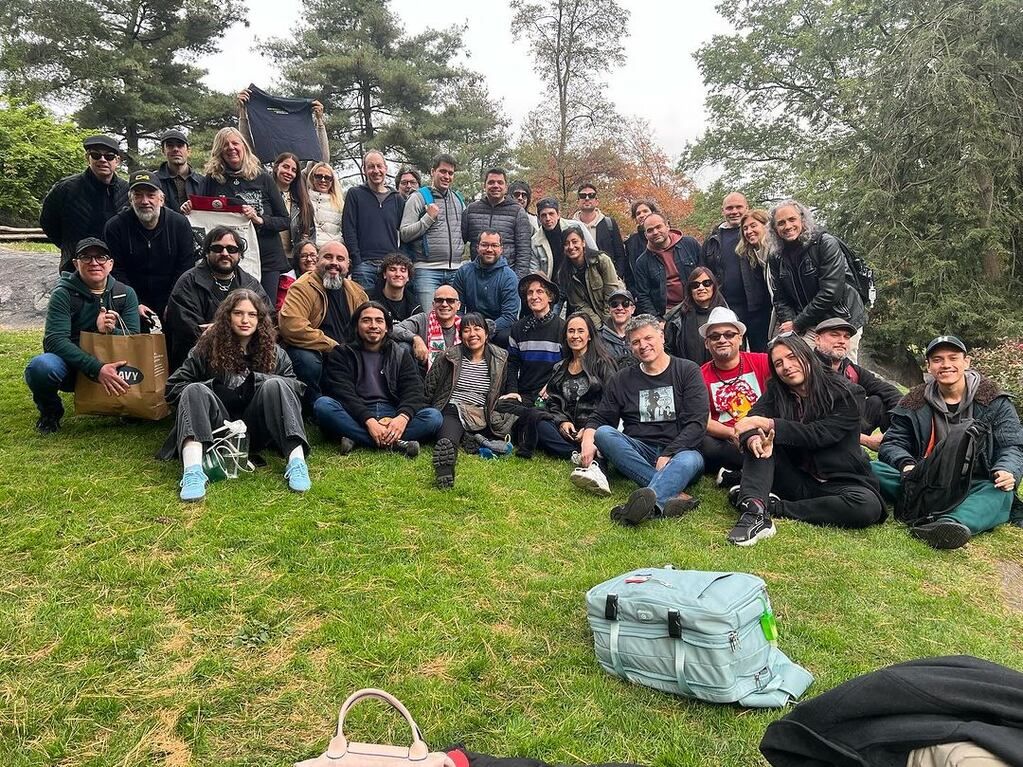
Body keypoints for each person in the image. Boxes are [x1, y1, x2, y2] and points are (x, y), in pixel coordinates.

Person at [728, 334, 885, 546]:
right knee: (762, 443)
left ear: (807, 355)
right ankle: (755, 511)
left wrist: (767, 424)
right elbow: (752, 419)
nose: (787, 366)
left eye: (792, 357)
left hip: (840, 481)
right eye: (779, 363)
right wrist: (752, 436)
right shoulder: (777, 390)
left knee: (868, 506)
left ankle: (774, 506)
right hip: (796, 476)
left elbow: (818, 434)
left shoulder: (847, 392)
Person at [159, 289, 311, 501]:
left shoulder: (275, 352)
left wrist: (257, 381)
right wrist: (213, 386)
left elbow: (296, 388)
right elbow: (174, 387)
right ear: (227, 316)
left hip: (257, 428)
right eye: (238, 313)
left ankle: (296, 463)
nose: (245, 320)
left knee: (276, 384)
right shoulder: (205, 349)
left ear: (260, 319)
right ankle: (193, 470)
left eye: (252, 314)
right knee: (193, 389)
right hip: (214, 430)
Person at [875, 335, 1023, 549]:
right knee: (871, 468)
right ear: (929, 366)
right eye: (937, 359)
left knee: (1000, 491)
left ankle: (950, 525)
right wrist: (907, 465)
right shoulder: (912, 402)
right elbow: (892, 442)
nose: (946, 365)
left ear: (966, 362)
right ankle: (946, 510)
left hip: (974, 481)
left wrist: (1006, 469)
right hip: (925, 478)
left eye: (953, 358)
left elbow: (1012, 444)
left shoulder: (995, 401)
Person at [577, 314, 708, 525]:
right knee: (604, 434)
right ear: (629, 346)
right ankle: (671, 496)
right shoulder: (622, 378)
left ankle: (641, 507)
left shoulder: (687, 370)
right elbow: (602, 416)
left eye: (648, 338)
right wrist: (588, 436)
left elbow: (697, 422)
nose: (643, 346)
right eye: (636, 342)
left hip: (680, 453)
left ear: (662, 337)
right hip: (639, 450)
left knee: (689, 460)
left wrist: (669, 453)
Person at [24, 238, 140, 433]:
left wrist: (111, 331)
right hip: (74, 367)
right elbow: (54, 340)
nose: (94, 263)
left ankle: (126, 406)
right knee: (41, 367)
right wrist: (96, 367)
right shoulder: (63, 294)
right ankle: (50, 412)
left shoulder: (125, 293)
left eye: (100, 257)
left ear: (110, 264)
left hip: (116, 365)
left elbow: (134, 339)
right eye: (86, 257)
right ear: (76, 264)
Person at [314, 302, 443, 456]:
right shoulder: (342, 353)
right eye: (366, 320)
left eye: (379, 321)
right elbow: (343, 393)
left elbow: (414, 390)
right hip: (355, 413)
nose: (373, 325)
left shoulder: (400, 354)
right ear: (356, 325)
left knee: (433, 417)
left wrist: (402, 417)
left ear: (387, 327)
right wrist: (369, 421)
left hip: (392, 412)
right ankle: (395, 443)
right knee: (323, 405)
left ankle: (356, 437)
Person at [185, 127, 290, 302]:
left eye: (235, 143)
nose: (231, 147)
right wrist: (190, 208)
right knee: (232, 308)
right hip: (228, 259)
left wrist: (259, 219)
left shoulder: (263, 178)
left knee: (264, 309)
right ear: (219, 151)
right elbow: (201, 214)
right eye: (225, 145)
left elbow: (284, 220)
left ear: (244, 147)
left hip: (267, 258)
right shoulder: (212, 179)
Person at [767, 199, 866, 361]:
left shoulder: (825, 243)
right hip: (808, 322)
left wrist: (797, 323)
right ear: (775, 229)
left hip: (841, 317)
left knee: (843, 371)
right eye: (781, 223)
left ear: (803, 220)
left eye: (792, 220)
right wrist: (789, 323)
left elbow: (830, 292)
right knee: (805, 368)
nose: (787, 226)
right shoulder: (776, 256)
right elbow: (780, 298)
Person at [426, 313, 517, 487]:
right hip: (453, 407)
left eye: (477, 328)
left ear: (486, 333)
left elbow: (505, 386)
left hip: (482, 412)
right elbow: (430, 386)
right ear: (461, 336)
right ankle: (445, 468)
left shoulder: (500, 358)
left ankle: (470, 438)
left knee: (504, 424)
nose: (472, 334)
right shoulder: (448, 356)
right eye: (466, 330)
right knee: (448, 432)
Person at [534, 312, 619, 496]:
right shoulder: (560, 367)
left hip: (595, 426)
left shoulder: (603, 364)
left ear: (589, 335)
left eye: (581, 331)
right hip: (568, 429)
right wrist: (562, 422)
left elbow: (611, 402)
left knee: (604, 436)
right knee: (538, 422)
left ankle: (594, 460)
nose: (575, 336)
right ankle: (577, 455)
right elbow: (553, 401)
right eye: (571, 331)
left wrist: (590, 428)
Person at [164, 226, 268, 371]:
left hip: (245, 359)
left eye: (231, 249)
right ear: (207, 252)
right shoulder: (188, 282)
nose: (225, 253)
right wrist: (232, 332)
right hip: (200, 363)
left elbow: (267, 321)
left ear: (239, 254)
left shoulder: (251, 284)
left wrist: (218, 329)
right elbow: (186, 328)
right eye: (218, 248)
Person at [278, 241, 368, 406]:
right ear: (317, 261)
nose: (334, 262)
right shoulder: (302, 287)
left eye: (340, 259)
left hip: (347, 354)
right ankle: (313, 405)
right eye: (328, 257)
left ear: (348, 265)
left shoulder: (357, 292)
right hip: (318, 352)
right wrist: (333, 347)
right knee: (306, 360)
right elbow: (291, 326)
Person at [104, 170, 195, 326]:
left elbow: (185, 267)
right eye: (138, 195)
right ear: (130, 200)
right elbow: (114, 269)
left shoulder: (179, 224)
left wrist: (174, 302)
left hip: (171, 296)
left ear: (161, 199)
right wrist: (134, 303)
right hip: (130, 297)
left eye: (151, 195)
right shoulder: (115, 226)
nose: (145, 201)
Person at [697, 307, 771, 481]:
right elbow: (704, 421)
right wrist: (734, 433)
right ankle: (758, 468)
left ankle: (737, 476)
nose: (722, 339)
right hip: (728, 440)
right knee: (704, 444)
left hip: (764, 431)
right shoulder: (699, 375)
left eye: (729, 334)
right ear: (707, 343)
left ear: (740, 339)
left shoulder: (762, 361)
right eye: (715, 336)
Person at [40, 135, 129, 273]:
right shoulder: (65, 188)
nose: (103, 160)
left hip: (116, 267)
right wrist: (69, 246)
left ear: (117, 161)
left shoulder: (127, 190)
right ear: (88, 158)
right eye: (96, 155)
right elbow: (48, 222)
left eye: (109, 156)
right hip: (75, 265)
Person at [813, 317, 901, 450]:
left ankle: (897, 450)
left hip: (850, 425)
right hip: (821, 436)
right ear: (818, 339)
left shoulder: (850, 369)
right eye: (834, 335)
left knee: (878, 402)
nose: (842, 341)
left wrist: (900, 421)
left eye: (846, 337)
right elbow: (814, 423)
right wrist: (866, 440)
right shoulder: (807, 370)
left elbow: (887, 390)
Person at [703, 193, 772, 353]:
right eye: (729, 208)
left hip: (759, 308)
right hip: (727, 308)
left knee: (762, 354)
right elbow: (706, 273)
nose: (734, 211)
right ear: (723, 211)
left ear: (746, 208)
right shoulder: (712, 240)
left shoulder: (758, 234)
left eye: (738, 207)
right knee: (732, 355)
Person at [399, 153, 466, 311]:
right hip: (426, 270)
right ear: (432, 171)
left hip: (456, 270)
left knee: (455, 321)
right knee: (429, 320)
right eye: (442, 171)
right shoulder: (418, 198)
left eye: (450, 173)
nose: (447, 176)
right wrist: (428, 218)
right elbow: (405, 233)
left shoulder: (458, 199)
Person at [342, 150, 404, 291]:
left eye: (379, 166)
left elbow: (405, 232)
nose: (376, 171)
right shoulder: (355, 194)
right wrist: (356, 260)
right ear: (364, 170)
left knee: (387, 310)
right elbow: (348, 229)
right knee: (365, 310)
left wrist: (399, 261)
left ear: (385, 168)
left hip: (390, 267)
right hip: (363, 265)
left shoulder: (396, 198)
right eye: (371, 167)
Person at [502, 272, 565, 406]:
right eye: (530, 293)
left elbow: (568, 364)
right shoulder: (518, 327)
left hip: (550, 394)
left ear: (550, 297)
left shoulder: (562, 328)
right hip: (525, 394)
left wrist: (551, 386)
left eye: (539, 292)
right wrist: (512, 391)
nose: (534, 297)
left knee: (536, 416)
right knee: (501, 406)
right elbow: (512, 363)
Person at [462, 167, 532, 278]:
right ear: (484, 185)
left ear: (506, 187)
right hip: (477, 276)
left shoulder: (518, 212)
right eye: (491, 182)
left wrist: (517, 280)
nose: (495, 186)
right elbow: (460, 241)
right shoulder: (471, 210)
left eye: (500, 182)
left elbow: (524, 251)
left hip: (507, 277)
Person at [450, 231, 520, 338]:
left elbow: (509, 316)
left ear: (501, 249)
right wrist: (468, 328)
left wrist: (485, 330)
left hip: (498, 328)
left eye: (494, 245)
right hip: (470, 326)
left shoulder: (509, 277)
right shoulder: (464, 272)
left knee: (506, 336)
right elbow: (457, 308)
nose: (489, 249)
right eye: (485, 245)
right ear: (477, 247)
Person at [632, 213, 702, 318]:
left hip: (696, 304)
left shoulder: (689, 244)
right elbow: (643, 296)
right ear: (646, 235)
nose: (655, 232)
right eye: (650, 230)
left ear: (667, 226)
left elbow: (706, 273)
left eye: (658, 227)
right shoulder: (642, 262)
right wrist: (657, 320)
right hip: (667, 312)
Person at [555, 225, 623, 328]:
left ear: (583, 242)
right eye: (566, 244)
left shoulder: (602, 260)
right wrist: (599, 327)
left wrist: (607, 323)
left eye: (574, 242)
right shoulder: (564, 274)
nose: (571, 247)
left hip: (616, 314)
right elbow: (580, 306)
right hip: (592, 324)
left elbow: (612, 292)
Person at [664, 265, 728, 364]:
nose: (701, 288)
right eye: (695, 285)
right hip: (687, 373)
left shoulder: (727, 314)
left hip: (721, 372)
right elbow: (667, 350)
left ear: (714, 286)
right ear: (690, 290)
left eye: (706, 283)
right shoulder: (676, 317)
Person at [391, 285, 462, 372]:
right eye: (439, 300)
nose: (444, 304)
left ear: (458, 305)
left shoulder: (464, 325)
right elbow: (393, 329)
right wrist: (415, 338)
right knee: (403, 347)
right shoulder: (422, 319)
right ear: (433, 304)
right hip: (422, 377)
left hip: (457, 378)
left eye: (450, 301)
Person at [527, 197, 598, 281]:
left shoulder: (576, 226)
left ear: (558, 215)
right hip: (554, 285)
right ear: (539, 218)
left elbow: (595, 253)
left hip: (582, 279)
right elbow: (534, 272)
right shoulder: (535, 241)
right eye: (543, 215)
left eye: (551, 214)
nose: (548, 218)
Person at [572, 182, 628, 282]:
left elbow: (620, 254)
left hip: (608, 279)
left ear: (597, 201)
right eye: (583, 196)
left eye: (591, 195)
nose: (587, 198)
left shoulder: (609, 224)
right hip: (580, 282)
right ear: (578, 201)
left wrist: (616, 276)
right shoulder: (571, 226)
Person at [734, 209, 772, 350]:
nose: (749, 231)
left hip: (777, 313)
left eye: (753, 225)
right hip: (758, 314)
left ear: (766, 226)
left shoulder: (776, 251)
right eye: (745, 228)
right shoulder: (747, 254)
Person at [272, 152, 316, 254]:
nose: (289, 172)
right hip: (270, 256)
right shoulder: (264, 196)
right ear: (276, 168)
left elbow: (311, 232)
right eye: (285, 167)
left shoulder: (303, 202)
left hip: (293, 257)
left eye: (293, 170)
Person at [156, 129, 204, 214]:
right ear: (163, 151)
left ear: (188, 151)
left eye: (180, 145)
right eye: (170, 146)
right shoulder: (154, 181)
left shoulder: (202, 182)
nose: (175, 149)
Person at [369, 252, 420, 321]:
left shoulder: (415, 306)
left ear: (408, 277)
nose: (398, 274)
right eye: (392, 270)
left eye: (403, 270)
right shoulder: (368, 298)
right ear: (384, 274)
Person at [622, 199, 659, 292]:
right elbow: (628, 274)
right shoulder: (631, 243)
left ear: (653, 212)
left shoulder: (667, 236)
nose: (642, 215)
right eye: (638, 213)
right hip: (644, 294)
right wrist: (634, 293)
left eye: (645, 211)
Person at [306, 161, 344, 248]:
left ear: (332, 180)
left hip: (333, 250)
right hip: (310, 251)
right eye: (318, 176)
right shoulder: (304, 200)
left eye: (327, 178)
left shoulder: (340, 204)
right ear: (312, 178)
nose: (323, 180)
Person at [276, 239, 319, 311]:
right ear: (297, 260)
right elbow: (282, 310)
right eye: (304, 256)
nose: (309, 259)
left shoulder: (325, 279)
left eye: (313, 255)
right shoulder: (287, 281)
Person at [599, 288, 637, 361]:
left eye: (625, 304)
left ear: (633, 309)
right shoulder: (599, 338)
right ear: (609, 309)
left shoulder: (642, 332)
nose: (620, 308)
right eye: (614, 304)